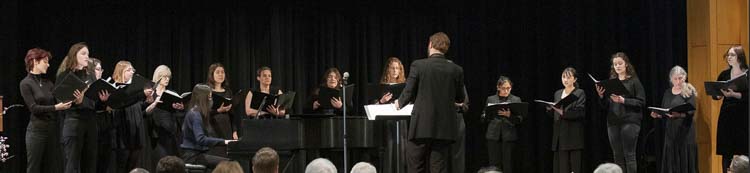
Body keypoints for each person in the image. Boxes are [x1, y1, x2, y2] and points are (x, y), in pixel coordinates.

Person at [395, 32, 465, 173]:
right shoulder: (456, 70)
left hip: (421, 126)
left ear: (430, 45)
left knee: (416, 167)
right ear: (446, 48)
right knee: (438, 169)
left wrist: (399, 103)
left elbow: (408, 92)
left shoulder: (419, 65)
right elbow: (460, 98)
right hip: (444, 129)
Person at [20, 48, 70, 173]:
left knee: (52, 167)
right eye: (45, 61)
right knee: (34, 167)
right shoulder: (26, 83)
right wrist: (55, 108)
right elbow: (34, 108)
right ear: (35, 61)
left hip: (52, 130)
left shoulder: (48, 83)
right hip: (36, 132)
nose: (48, 65)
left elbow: (60, 98)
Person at [595, 52, 646, 173]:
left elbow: (641, 102)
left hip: (630, 121)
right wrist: (601, 96)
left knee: (629, 155)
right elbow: (605, 105)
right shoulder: (611, 82)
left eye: (620, 63)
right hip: (613, 122)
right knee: (617, 156)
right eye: (615, 64)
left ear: (626, 64)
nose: (617, 66)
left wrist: (624, 100)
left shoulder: (634, 81)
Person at [56, 42, 100, 173]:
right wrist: (77, 101)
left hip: (91, 122)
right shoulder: (64, 76)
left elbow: (94, 102)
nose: (87, 57)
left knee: (90, 163)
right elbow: (60, 101)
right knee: (72, 163)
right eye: (83, 53)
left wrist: (101, 100)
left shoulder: (90, 75)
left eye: (88, 54)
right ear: (74, 55)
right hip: (73, 121)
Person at [111, 60, 158, 172]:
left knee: (133, 166)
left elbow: (137, 107)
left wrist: (147, 102)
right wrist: (141, 94)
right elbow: (123, 104)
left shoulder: (134, 91)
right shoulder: (115, 89)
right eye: (129, 70)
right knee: (122, 165)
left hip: (136, 132)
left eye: (133, 70)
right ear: (121, 72)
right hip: (123, 132)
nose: (132, 72)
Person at [649, 65, 698, 173]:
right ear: (671, 79)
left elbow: (691, 111)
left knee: (684, 159)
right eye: (675, 78)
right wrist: (658, 115)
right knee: (672, 160)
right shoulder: (667, 92)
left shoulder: (689, 90)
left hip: (685, 131)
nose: (678, 81)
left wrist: (679, 115)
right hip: (671, 132)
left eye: (680, 78)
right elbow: (665, 110)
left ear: (684, 77)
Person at [180, 84, 236, 169]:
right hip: (193, 156)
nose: (211, 100)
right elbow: (201, 139)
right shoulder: (195, 115)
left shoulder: (197, 112)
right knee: (229, 164)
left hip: (198, 154)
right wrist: (225, 142)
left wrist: (218, 111)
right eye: (209, 97)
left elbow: (210, 113)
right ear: (203, 99)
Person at [713, 45, 749, 173]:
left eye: (732, 55)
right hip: (727, 115)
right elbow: (716, 94)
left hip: (744, 116)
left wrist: (734, 95)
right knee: (726, 152)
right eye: (728, 55)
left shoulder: (747, 73)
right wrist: (717, 94)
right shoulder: (724, 74)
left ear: (740, 57)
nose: (729, 57)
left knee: (744, 150)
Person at [547, 67, 586, 173]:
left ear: (575, 79)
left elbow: (580, 113)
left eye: (568, 77)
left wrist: (563, 113)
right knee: (561, 168)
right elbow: (555, 114)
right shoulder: (558, 93)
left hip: (573, 135)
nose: (565, 79)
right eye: (563, 77)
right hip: (560, 136)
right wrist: (550, 109)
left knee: (574, 168)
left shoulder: (579, 93)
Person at [483, 76, 521, 173]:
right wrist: (486, 114)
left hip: (508, 136)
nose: (506, 91)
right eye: (504, 88)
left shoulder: (515, 99)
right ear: (498, 87)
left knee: (508, 164)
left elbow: (520, 120)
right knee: (494, 165)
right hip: (493, 135)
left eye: (508, 88)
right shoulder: (491, 99)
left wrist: (510, 115)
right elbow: (483, 117)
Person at [147, 65, 184, 159]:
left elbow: (179, 114)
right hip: (157, 133)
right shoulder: (151, 93)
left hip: (172, 133)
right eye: (164, 77)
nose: (167, 79)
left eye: (168, 77)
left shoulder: (172, 93)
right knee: (161, 160)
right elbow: (145, 112)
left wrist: (180, 108)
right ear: (158, 77)